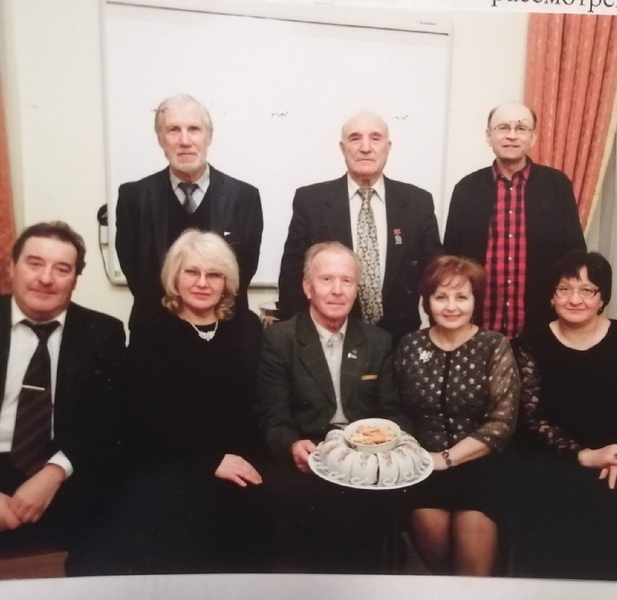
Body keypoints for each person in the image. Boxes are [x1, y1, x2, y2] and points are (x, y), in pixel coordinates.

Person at [109, 230, 267, 574]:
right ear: (175, 276)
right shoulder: (151, 330)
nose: (202, 283)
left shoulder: (247, 326)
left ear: (227, 282)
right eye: (192, 272)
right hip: (174, 460)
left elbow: (255, 403)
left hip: (239, 455)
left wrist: (238, 457)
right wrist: (210, 460)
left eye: (214, 274)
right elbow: (148, 415)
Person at [511, 250, 617, 581]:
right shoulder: (530, 342)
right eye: (564, 289)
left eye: (587, 290)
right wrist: (585, 456)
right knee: (555, 505)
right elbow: (531, 417)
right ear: (552, 297)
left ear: (602, 298)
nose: (574, 299)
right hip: (558, 459)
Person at [257, 241, 409, 573]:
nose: (337, 290)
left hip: (365, 458)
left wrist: (384, 448)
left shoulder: (378, 341)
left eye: (347, 281)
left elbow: (392, 410)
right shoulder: (280, 339)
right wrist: (292, 445)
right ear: (307, 286)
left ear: (357, 288)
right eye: (326, 279)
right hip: (308, 455)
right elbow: (274, 415)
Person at [0, 221, 125, 574]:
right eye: (35, 263)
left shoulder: (104, 332)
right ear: (12, 267)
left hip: (64, 463)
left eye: (62, 269)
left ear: (75, 279)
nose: (46, 278)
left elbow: (110, 420)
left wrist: (54, 473)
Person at [394, 255, 519, 576]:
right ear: (427, 302)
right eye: (441, 297)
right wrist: (419, 458)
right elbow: (396, 410)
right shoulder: (410, 345)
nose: (451, 307)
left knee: (471, 574)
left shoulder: (494, 345)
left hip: (480, 466)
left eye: (461, 297)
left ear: (475, 301)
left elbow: (502, 422)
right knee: (437, 553)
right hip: (423, 468)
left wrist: (446, 459)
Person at [277, 111, 441, 343]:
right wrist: (298, 342)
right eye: (355, 138)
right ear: (342, 148)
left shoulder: (417, 202)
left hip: (401, 340)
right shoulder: (311, 201)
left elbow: (435, 276)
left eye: (375, 138)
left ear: (388, 147)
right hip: (329, 338)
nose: (365, 148)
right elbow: (292, 277)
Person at [116, 94, 263, 332]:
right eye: (174, 130)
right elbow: (135, 273)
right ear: (160, 139)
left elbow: (243, 271)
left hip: (226, 332)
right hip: (154, 333)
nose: (185, 141)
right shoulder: (133, 198)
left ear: (209, 136)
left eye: (194, 129)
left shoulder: (244, 198)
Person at [443, 101, 585, 338]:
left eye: (521, 128)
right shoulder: (466, 189)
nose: (511, 135)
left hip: (542, 327)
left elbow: (575, 256)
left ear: (533, 137)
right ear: (488, 136)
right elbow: (451, 260)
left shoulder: (557, 185)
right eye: (503, 128)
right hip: (477, 327)